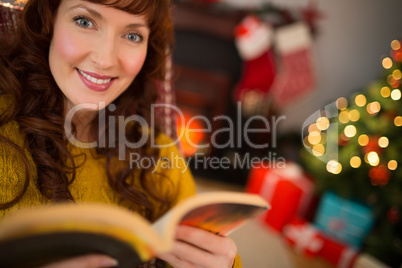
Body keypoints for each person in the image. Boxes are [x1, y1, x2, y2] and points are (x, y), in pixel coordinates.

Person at [0, 0, 241, 267]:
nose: (105, 60)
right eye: (84, 22)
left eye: (132, 35)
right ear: (49, 23)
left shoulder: (158, 150)